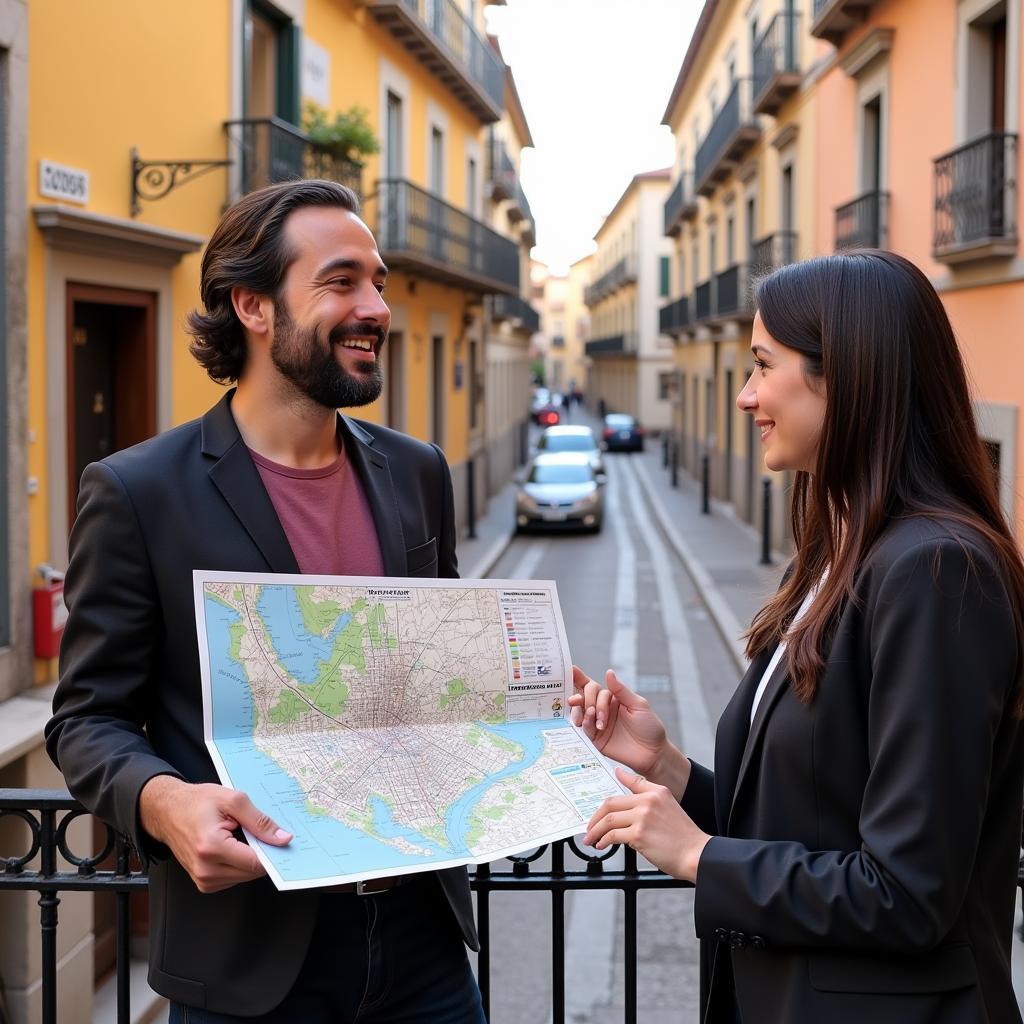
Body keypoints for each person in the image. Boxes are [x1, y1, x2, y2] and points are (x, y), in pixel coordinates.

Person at [45, 179, 485, 1023]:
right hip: (251, 957)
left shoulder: (418, 471)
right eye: (341, 281)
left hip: (423, 940)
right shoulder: (138, 493)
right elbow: (85, 719)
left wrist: (528, 706)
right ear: (251, 304)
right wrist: (160, 800)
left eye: (380, 283)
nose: (375, 308)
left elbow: (441, 678)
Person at [571, 250, 1024, 1023]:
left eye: (762, 366)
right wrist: (670, 770)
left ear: (845, 375)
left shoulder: (938, 570)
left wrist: (697, 854)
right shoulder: (848, 555)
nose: (746, 396)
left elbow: (909, 893)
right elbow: (814, 821)